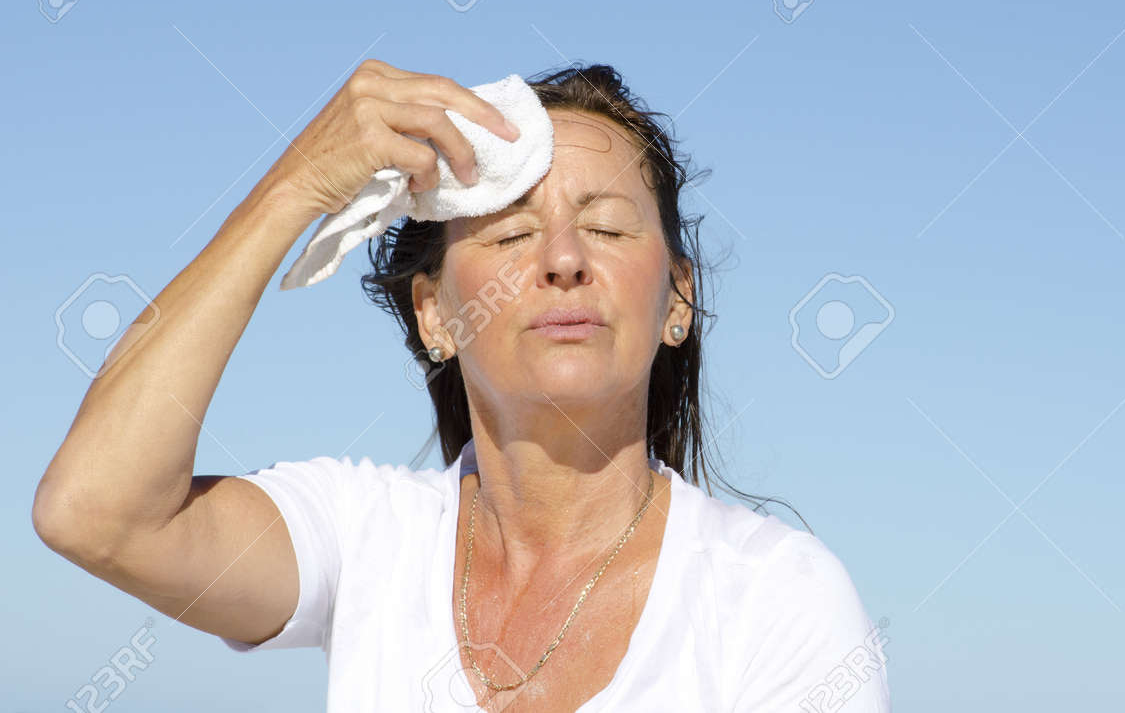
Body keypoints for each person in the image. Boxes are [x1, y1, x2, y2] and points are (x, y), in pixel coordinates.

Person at [33, 60, 890, 712]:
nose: (563, 260)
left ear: (678, 299)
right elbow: (94, 511)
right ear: (434, 313)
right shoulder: (368, 538)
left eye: (605, 225)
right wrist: (294, 187)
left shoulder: (777, 600)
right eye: (513, 233)